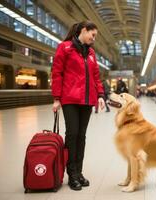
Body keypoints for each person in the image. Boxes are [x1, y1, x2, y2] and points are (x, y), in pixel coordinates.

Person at [51, 21, 105, 190]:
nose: (94, 39)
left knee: (81, 136)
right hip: (70, 99)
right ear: (83, 30)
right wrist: (56, 98)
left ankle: (79, 172)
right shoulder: (65, 47)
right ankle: (71, 174)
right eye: (92, 34)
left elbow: (96, 76)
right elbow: (57, 72)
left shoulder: (91, 53)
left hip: (87, 101)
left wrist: (101, 95)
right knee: (72, 134)